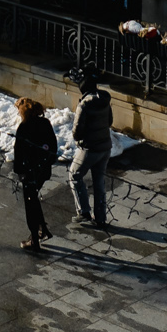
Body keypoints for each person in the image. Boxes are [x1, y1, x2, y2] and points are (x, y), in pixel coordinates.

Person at [10, 96, 58, 250]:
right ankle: (42, 229)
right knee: (34, 198)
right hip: (42, 171)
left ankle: (35, 238)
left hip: (29, 172)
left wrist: (19, 171)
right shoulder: (45, 123)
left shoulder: (24, 127)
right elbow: (53, 147)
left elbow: (19, 152)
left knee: (30, 203)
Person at [70, 68, 112, 228]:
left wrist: (79, 138)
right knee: (99, 182)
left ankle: (83, 212)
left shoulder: (83, 106)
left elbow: (77, 132)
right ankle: (100, 218)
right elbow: (109, 121)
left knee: (74, 175)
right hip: (105, 147)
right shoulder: (105, 100)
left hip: (89, 148)